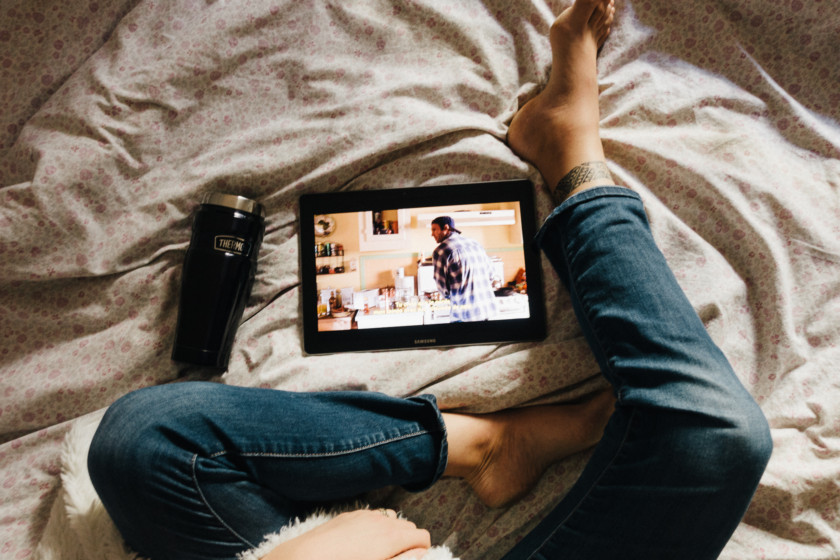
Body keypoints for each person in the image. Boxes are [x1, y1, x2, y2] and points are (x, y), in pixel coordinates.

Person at [88, 0, 773, 559]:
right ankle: (572, 154)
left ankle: (482, 443)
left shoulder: (455, 252)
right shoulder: (443, 255)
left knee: (143, 443)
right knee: (714, 436)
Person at [430, 216, 498, 322]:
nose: (432, 234)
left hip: (466, 315)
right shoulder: (475, 244)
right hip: (488, 310)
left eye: (434, 230)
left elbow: (444, 290)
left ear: (446, 228)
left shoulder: (441, 251)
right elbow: (492, 274)